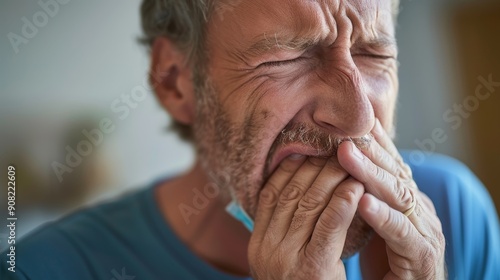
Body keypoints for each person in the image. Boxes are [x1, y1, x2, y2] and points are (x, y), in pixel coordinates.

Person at [2, 0, 499, 279]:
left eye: (373, 54)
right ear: (176, 81)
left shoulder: (454, 211)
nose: (356, 117)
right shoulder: (43, 271)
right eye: (287, 58)